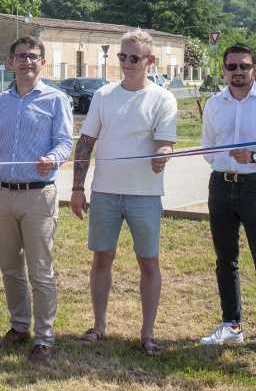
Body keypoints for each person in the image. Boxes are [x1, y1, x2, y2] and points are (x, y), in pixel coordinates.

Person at [69, 29, 177, 356]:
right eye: (122, 57)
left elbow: (165, 143)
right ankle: (99, 326)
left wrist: (163, 156)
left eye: (134, 58)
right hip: (105, 193)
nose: (127, 63)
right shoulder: (103, 96)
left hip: (144, 195)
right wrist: (76, 187)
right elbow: (86, 142)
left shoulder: (163, 98)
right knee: (102, 258)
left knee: (148, 262)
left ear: (150, 60)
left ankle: (148, 333)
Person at [0, 36, 73, 363]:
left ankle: (44, 338)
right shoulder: (1, 102)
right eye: (21, 56)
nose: (27, 62)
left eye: (33, 56)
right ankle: (19, 327)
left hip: (38, 196)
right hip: (3, 193)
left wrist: (53, 157)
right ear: (10, 61)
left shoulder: (56, 99)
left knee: (41, 270)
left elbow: (65, 142)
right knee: (10, 268)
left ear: (42, 62)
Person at [198, 44, 256, 358]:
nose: (238, 72)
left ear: (255, 69)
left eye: (244, 66)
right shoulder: (213, 104)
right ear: (223, 69)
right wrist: (225, 162)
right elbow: (208, 148)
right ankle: (232, 325)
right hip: (221, 187)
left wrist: (251, 156)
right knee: (225, 260)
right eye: (232, 66)